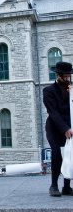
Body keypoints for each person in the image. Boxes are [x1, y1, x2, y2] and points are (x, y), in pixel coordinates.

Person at [43, 61, 73, 197]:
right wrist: (65, 128)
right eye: (65, 76)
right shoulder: (48, 91)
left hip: (70, 127)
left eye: (69, 76)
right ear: (58, 75)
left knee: (70, 155)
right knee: (56, 154)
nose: (67, 79)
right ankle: (53, 185)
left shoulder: (72, 90)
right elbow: (53, 112)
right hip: (54, 128)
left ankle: (67, 187)